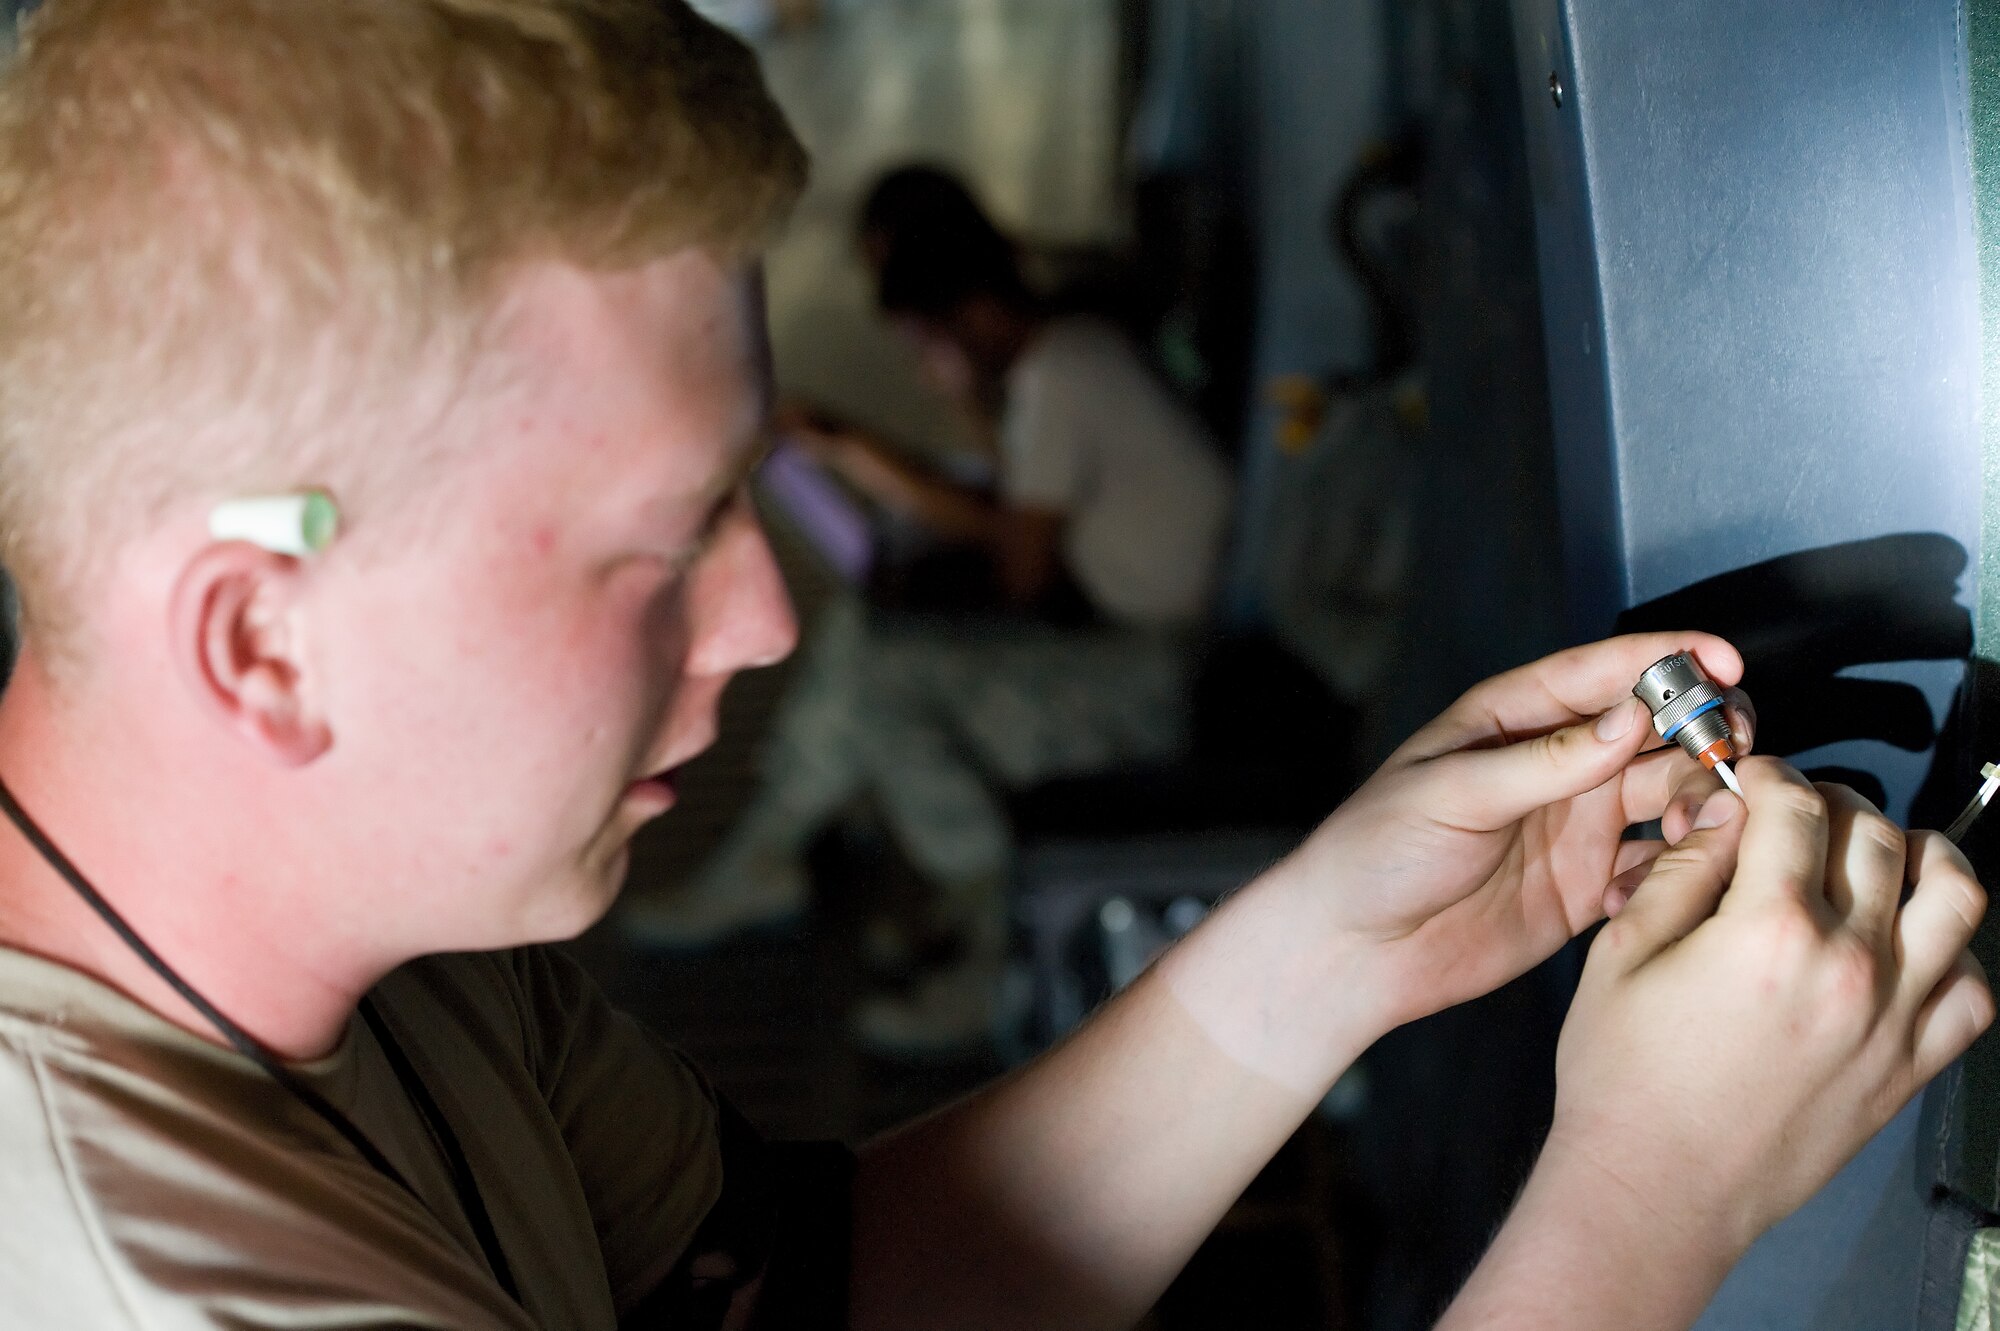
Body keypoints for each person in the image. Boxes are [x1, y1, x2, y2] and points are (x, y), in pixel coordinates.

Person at [0, 3, 1987, 1329]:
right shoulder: (171, 1281)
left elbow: (834, 1282)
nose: (764, 618)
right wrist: (1651, 1186)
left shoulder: (406, 949)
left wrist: (1331, 947)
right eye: (656, 547)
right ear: (260, 637)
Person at [623, 165, 1237, 1056]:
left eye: (924, 340)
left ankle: (988, 938)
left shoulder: (1062, 376)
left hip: (1155, 678)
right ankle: (777, 856)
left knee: (881, 682)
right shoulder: (1069, 357)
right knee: (869, 645)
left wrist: (881, 452)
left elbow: (1020, 566)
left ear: (968, 316)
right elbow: (1019, 502)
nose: (919, 362)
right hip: (1140, 649)